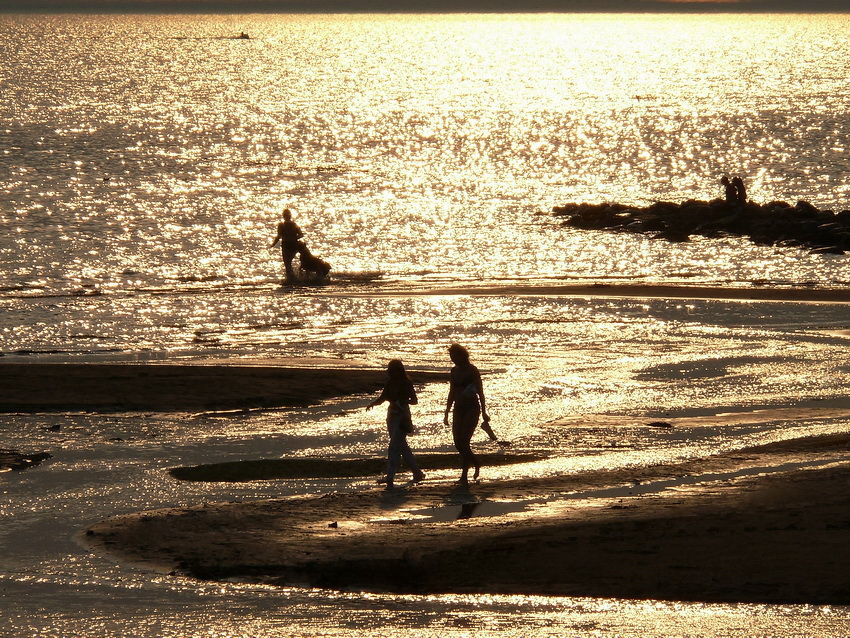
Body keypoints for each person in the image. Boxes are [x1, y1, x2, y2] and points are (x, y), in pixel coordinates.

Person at [443, 343, 498, 484]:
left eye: (454, 355)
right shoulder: (453, 371)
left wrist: (485, 411)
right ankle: (476, 462)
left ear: (462, 355)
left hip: (472, 408)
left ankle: (464, 475)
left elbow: (480, 391)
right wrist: (447, 411)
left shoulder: (472, 370)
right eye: (451, 356)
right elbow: (452, 392)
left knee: (464, 441)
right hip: (458, 407)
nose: (453, 358)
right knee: (458, 442)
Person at [366, 359, 425, 490]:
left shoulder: (406, 383)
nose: (389, 372)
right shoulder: (390, 383)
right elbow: (383, 398)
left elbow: (414, 400)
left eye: (391, 370)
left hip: (403, 416)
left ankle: (390, 476)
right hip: (391, 416)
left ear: (398, 370)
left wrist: (403, 401)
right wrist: (372, 404)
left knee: (393, 447)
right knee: (402, 447)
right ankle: (417, 472)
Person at [269, 209, 304, 282]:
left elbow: (279, 236)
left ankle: (291, 279)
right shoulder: (294, 224)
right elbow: (301, 235)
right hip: (294, 244)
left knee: (287, 264)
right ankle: (294, 278)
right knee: (289, 263)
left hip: (286, 245)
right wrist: (294, 238)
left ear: (283, 216)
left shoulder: (281, 225)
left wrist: (273, 244)